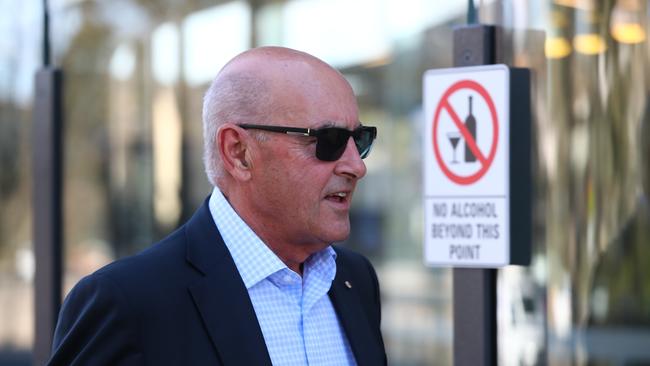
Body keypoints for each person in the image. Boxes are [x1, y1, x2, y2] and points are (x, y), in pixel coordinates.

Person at [47, 46, 387, 366]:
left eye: (359, 140)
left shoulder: (354, 280)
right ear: (238, 153)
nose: (356, 166)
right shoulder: (127, 302)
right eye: (329, 142)